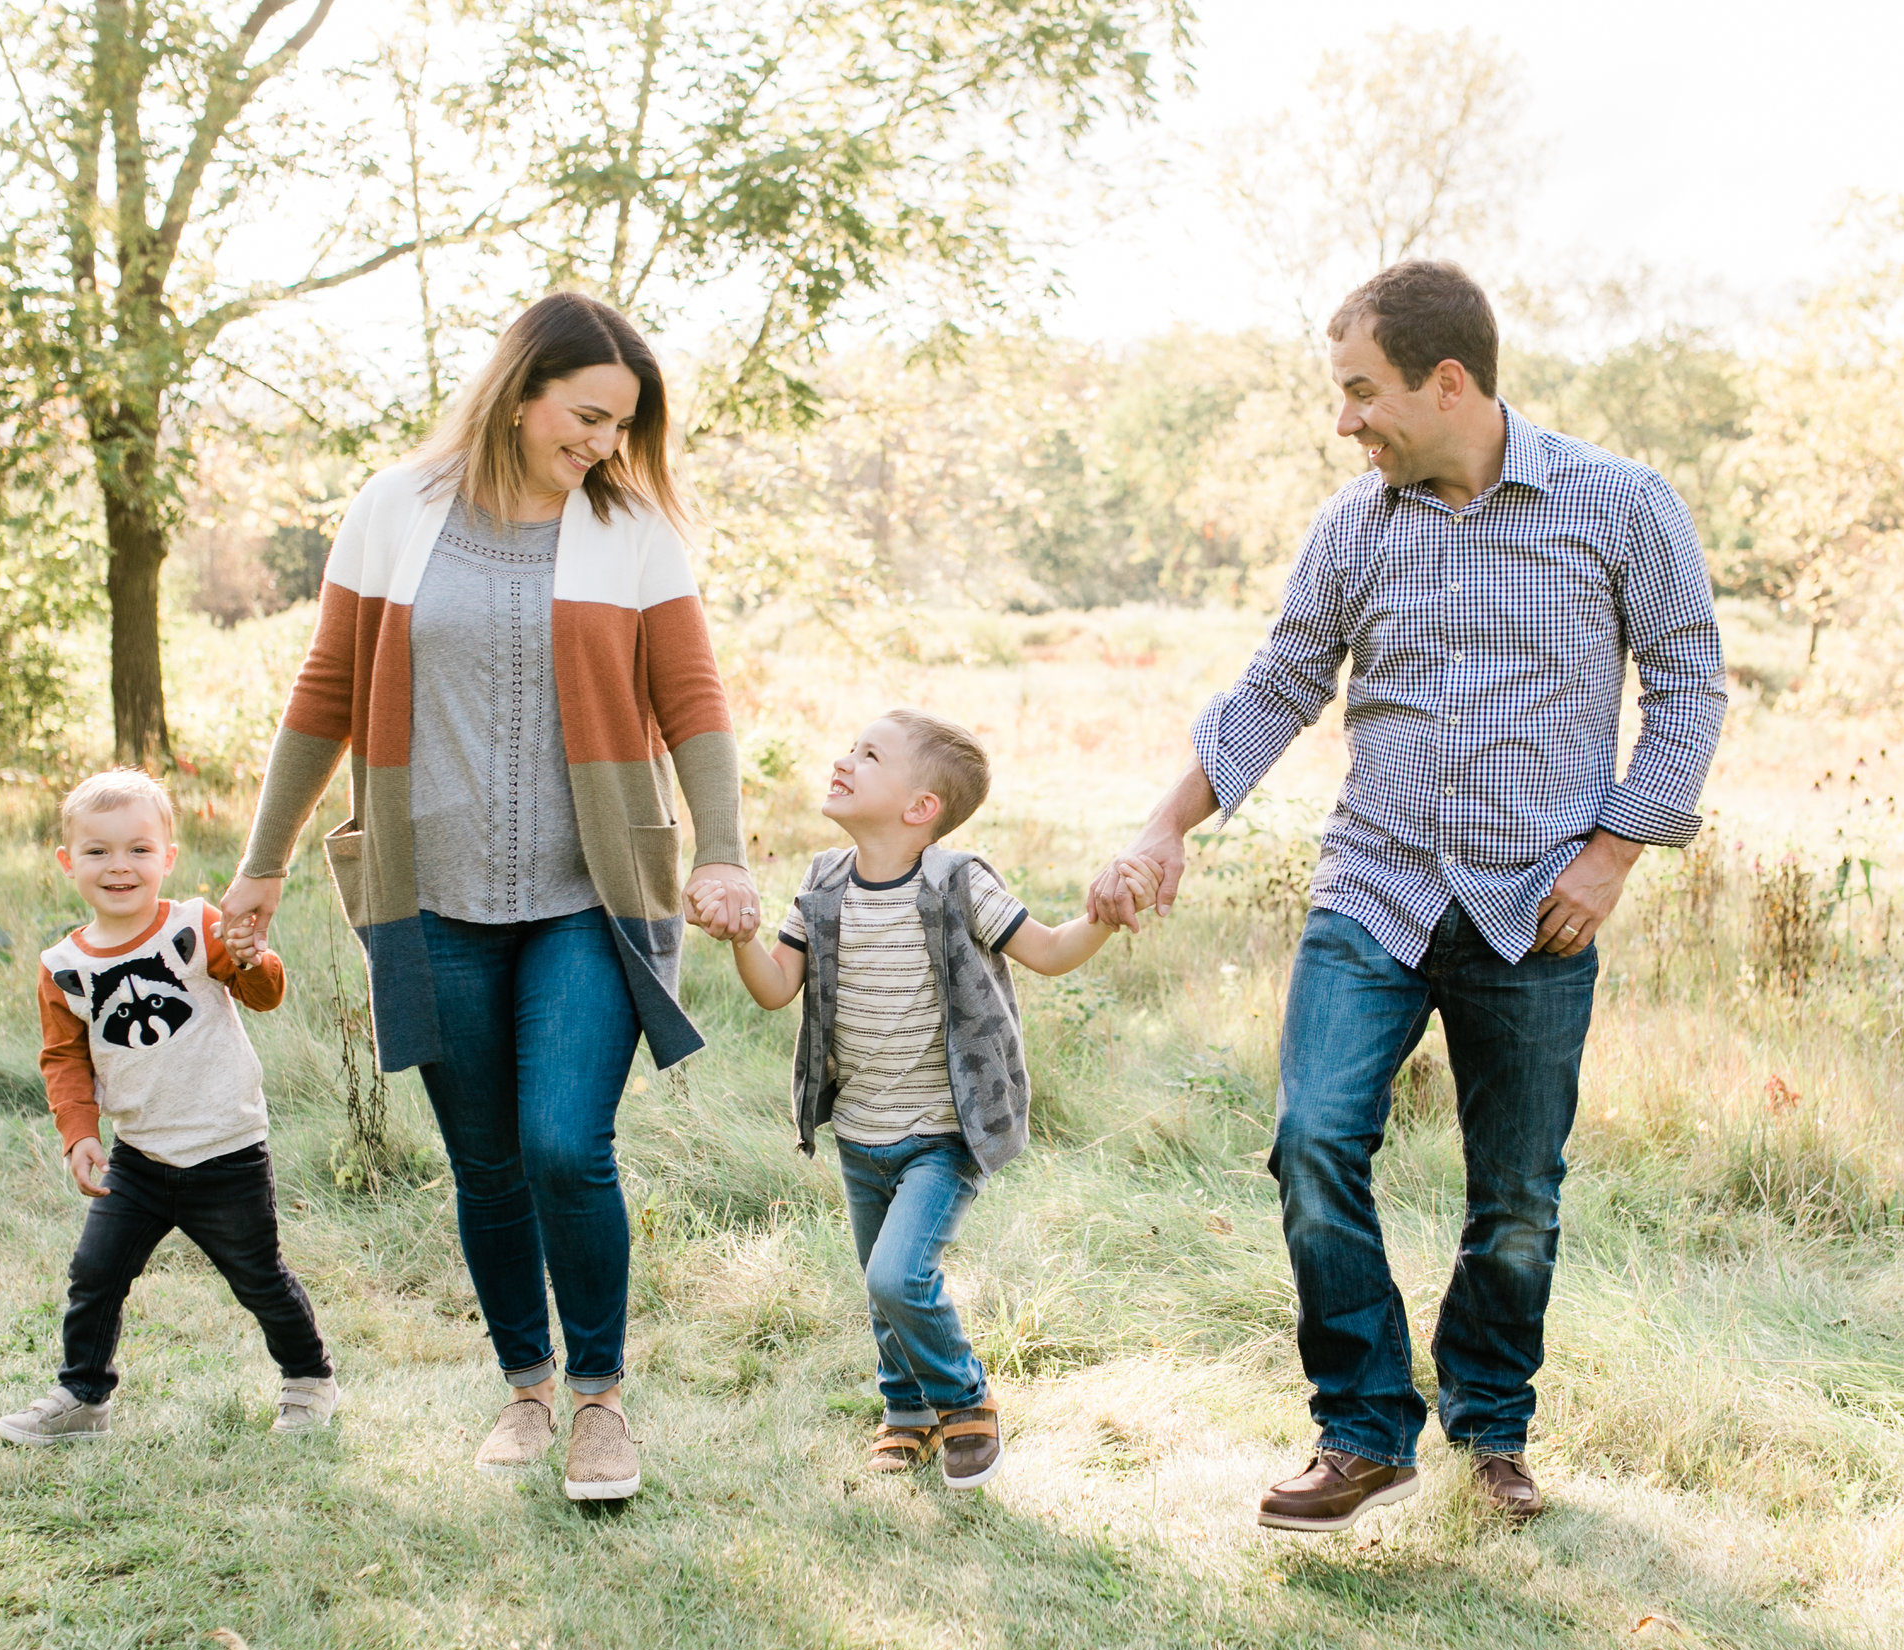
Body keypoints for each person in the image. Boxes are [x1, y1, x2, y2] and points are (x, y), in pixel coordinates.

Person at [1089, 261, 1726, 1531]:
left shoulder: (1617, 506)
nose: (1346, 423)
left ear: (1448, 383)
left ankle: (1490, 1430)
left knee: (1518, 1192)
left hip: (1538, 900)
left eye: (1360, 392)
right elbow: (1279, 684)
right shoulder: (1354, 526)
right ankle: (1364, 1429)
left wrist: (1612, 854)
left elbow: (1689, 684)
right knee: (1314, 1137)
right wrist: (1167, 822)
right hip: (1373, 887)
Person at [218, 293, 756, 1502]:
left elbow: (694, 702)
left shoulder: (630, 529)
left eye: (622, 424)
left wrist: (719, 850)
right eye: (586, 416)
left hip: (590, 893)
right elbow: (324, 692)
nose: (605, 445)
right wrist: (264, 860)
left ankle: (600, 1402)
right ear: (520, 391)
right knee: (485, 1162)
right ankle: (524, 1381)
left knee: (567, 1144)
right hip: (432, 895)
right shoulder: (396, 508)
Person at [703, 710, 1152, 1488]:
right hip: (860, 1129)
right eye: (850, 746)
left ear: (920, 808)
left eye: (869, 755)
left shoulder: (957, 881)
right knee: (881, 1278)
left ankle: (963, 1400)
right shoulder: (823, 882)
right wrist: (742, 933)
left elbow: (1045, 951)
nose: (844, 759)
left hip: (946, 1132)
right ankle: (904, 1410)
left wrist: (1101, 921)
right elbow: (777, 987)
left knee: (895, 1274)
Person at [0, 768, 336, 1446]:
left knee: (258, 1275)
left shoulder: (196, 925)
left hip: (227, 1149)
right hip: (140, 1157)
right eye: (98, 851)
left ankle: (309, 1380)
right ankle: (83, 1395)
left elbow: (265, 994)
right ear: (68, 862)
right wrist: (78, 1135)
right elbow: (64, 1059)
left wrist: (250, 955)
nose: (119, 865)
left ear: (167, 857)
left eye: (138, 849)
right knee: (96, 1272)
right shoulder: (63, 965)